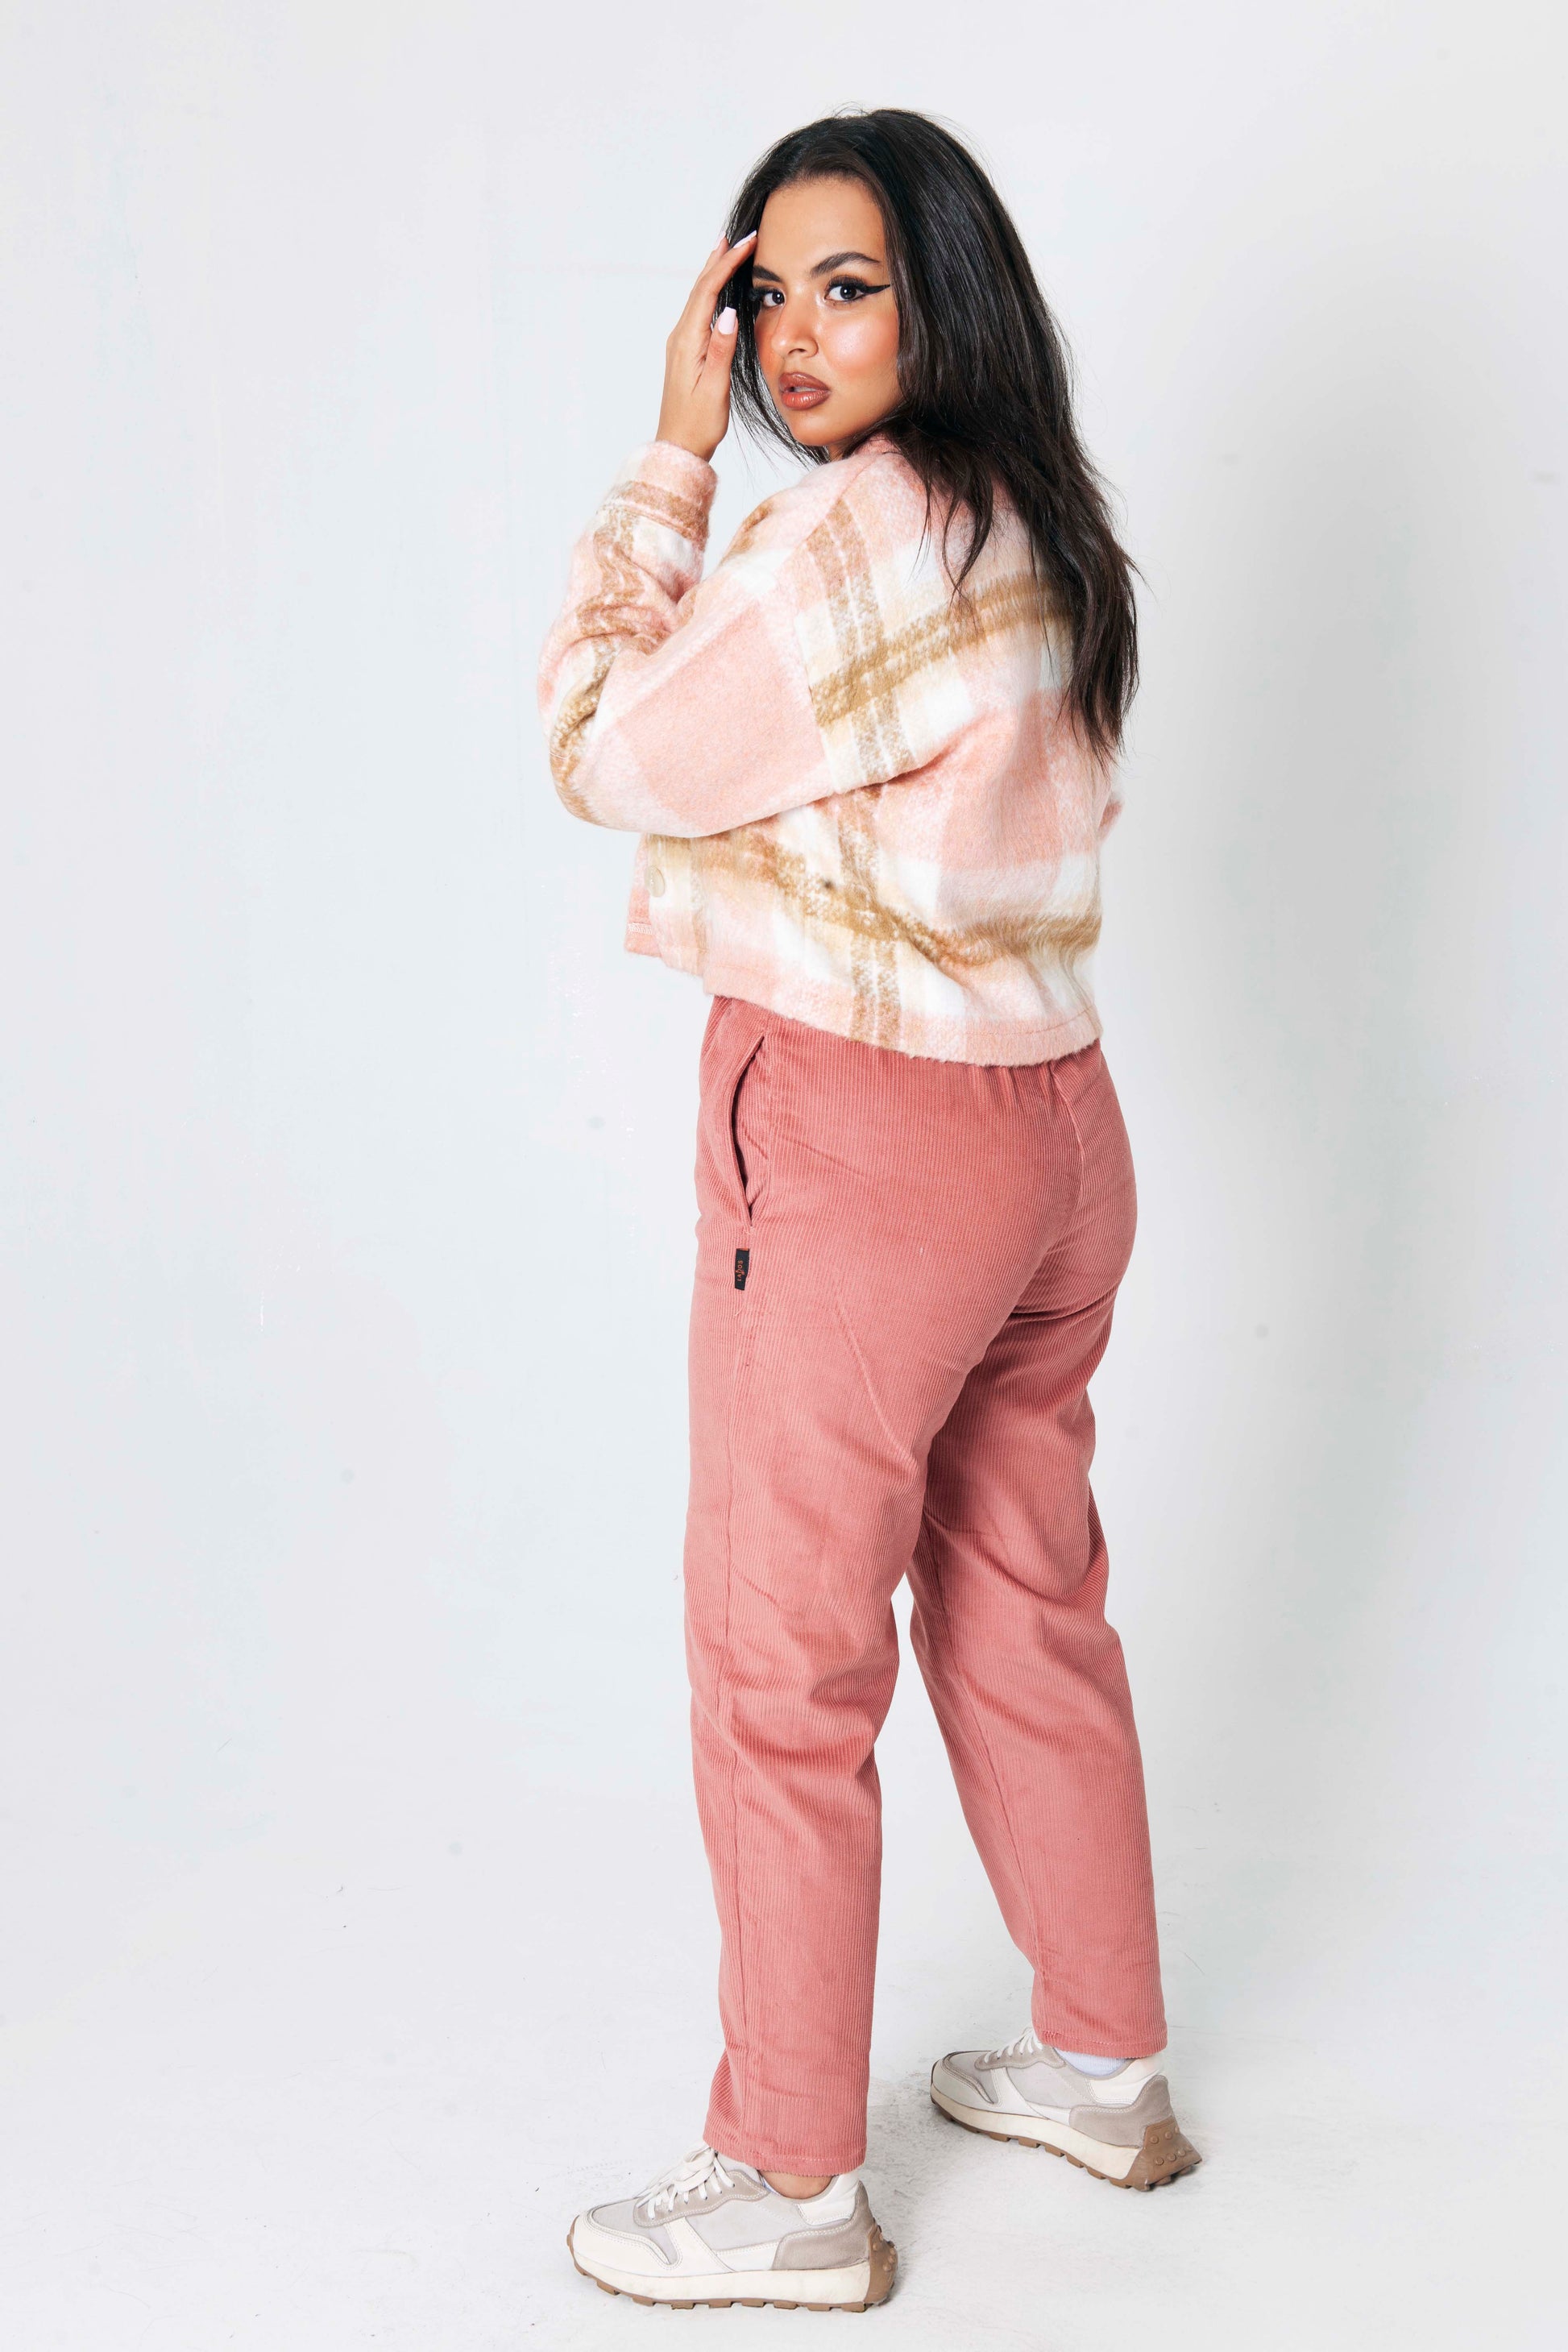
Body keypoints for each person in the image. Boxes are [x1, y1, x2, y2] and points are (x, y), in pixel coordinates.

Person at [538, 106, 1199, 2313]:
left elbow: (604, 747)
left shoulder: (850, 536)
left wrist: (670, 462)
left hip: (863, 1133)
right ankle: (1103, 2063)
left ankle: (788, 2181)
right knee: (1024, 1593)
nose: (794, 337)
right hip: (1054, 1127)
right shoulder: (1044, 522)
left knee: (780, 1656)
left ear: (944, 299)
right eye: (766, 294)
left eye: (851, 286)